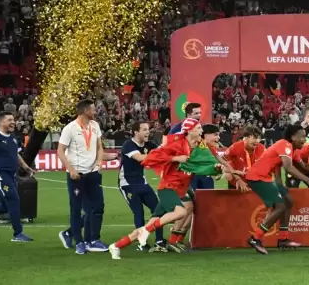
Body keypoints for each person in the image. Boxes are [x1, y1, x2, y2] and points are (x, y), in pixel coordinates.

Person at [109, 119, 231, 259]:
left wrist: (217, 169)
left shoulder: (197, 150)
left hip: (178, 189)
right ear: (190, 131)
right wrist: (176, 158)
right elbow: (156, 156)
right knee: (180, 212)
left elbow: (206, 168)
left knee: (150, 224)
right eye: (198, 128)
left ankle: (117, 246)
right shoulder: (178, 145)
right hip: (168, 188)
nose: (201, 131)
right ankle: (153, 233)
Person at [245, 124, 309, 255]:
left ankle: (283, 239)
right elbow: (288, 168)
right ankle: (256, 238)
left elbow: (304, 166)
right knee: (280, 206)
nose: (305, 139)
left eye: (305, 136)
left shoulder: (294, 149)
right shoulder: (284, 144)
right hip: (257, 177)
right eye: (302, 136)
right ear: (293, 137)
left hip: (267, 178)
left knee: (288, 201)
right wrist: (308, 180)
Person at [57, 99, 107, 254]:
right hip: (77, 175)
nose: (96, 112)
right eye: (93, 109)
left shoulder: (95, 125)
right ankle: (79, 242)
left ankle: (93, 240)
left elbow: (100, 147)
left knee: (98, 207)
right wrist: (71, 170)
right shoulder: (70, 128)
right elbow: (60, 151)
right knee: (77, 209)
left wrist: (99, 163)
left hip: (93, 174)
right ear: (86, 111)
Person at [117, 121, 166, 252]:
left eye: (148, 129)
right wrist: (157, 155)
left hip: (142, 182)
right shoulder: (128, 145)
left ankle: (159, 241)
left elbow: (163, 152)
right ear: (136, 132)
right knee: (138, 212)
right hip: (127, 185)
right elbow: (139, 158)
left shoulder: (149, 144)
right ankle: (141, 243)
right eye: (144, 130)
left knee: (158, 210)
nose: (147, 132)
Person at [0, 111, 33, 242]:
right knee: (14, 199)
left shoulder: (13, 138)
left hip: (11, 174)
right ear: (1, 122)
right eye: (9, 120)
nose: (13, 122)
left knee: (6, 206)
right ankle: (18, 233)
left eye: (13, 120)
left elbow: (16, 155)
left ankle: (18, 233)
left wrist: (26, 167)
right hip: (1, 174)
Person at [167, 103, 211, 192]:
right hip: (187, 169)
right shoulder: (177, 129)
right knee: (191, 196)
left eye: (200, 113)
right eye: (196, 113)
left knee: (207, 195)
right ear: (188, 115)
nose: (199, 115)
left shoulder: (201, 128)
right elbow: (168, 147)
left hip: (202, 168)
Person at [223, 126, 264, 191]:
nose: (257, 141)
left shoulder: (262, 148)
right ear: (246, 138)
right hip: (236, 183)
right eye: (255, 138)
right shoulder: (235, 147)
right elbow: (224, 161)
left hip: (255, 183)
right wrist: (234, 177)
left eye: (259, 138)